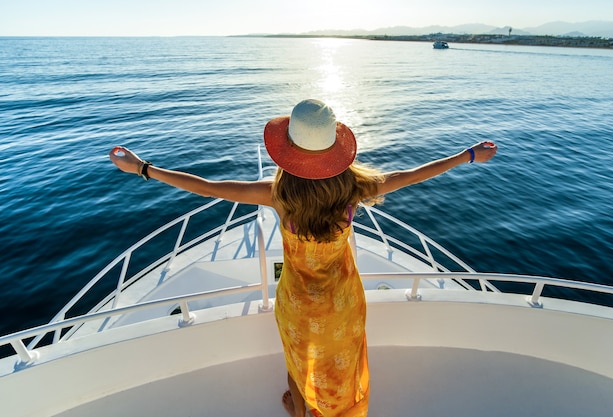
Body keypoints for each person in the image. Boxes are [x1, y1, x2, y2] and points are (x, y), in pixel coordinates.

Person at [109, 99, 497, 417]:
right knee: (342, 360)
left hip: (297, 303)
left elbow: (207, 188)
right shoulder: (357, 188)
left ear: (288, 152)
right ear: (334, 150)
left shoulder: (277, 196)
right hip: (344, 301)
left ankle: (300, 411)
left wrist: (142, 168)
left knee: (298, 363)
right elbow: (413, 174)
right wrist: (468, 155)